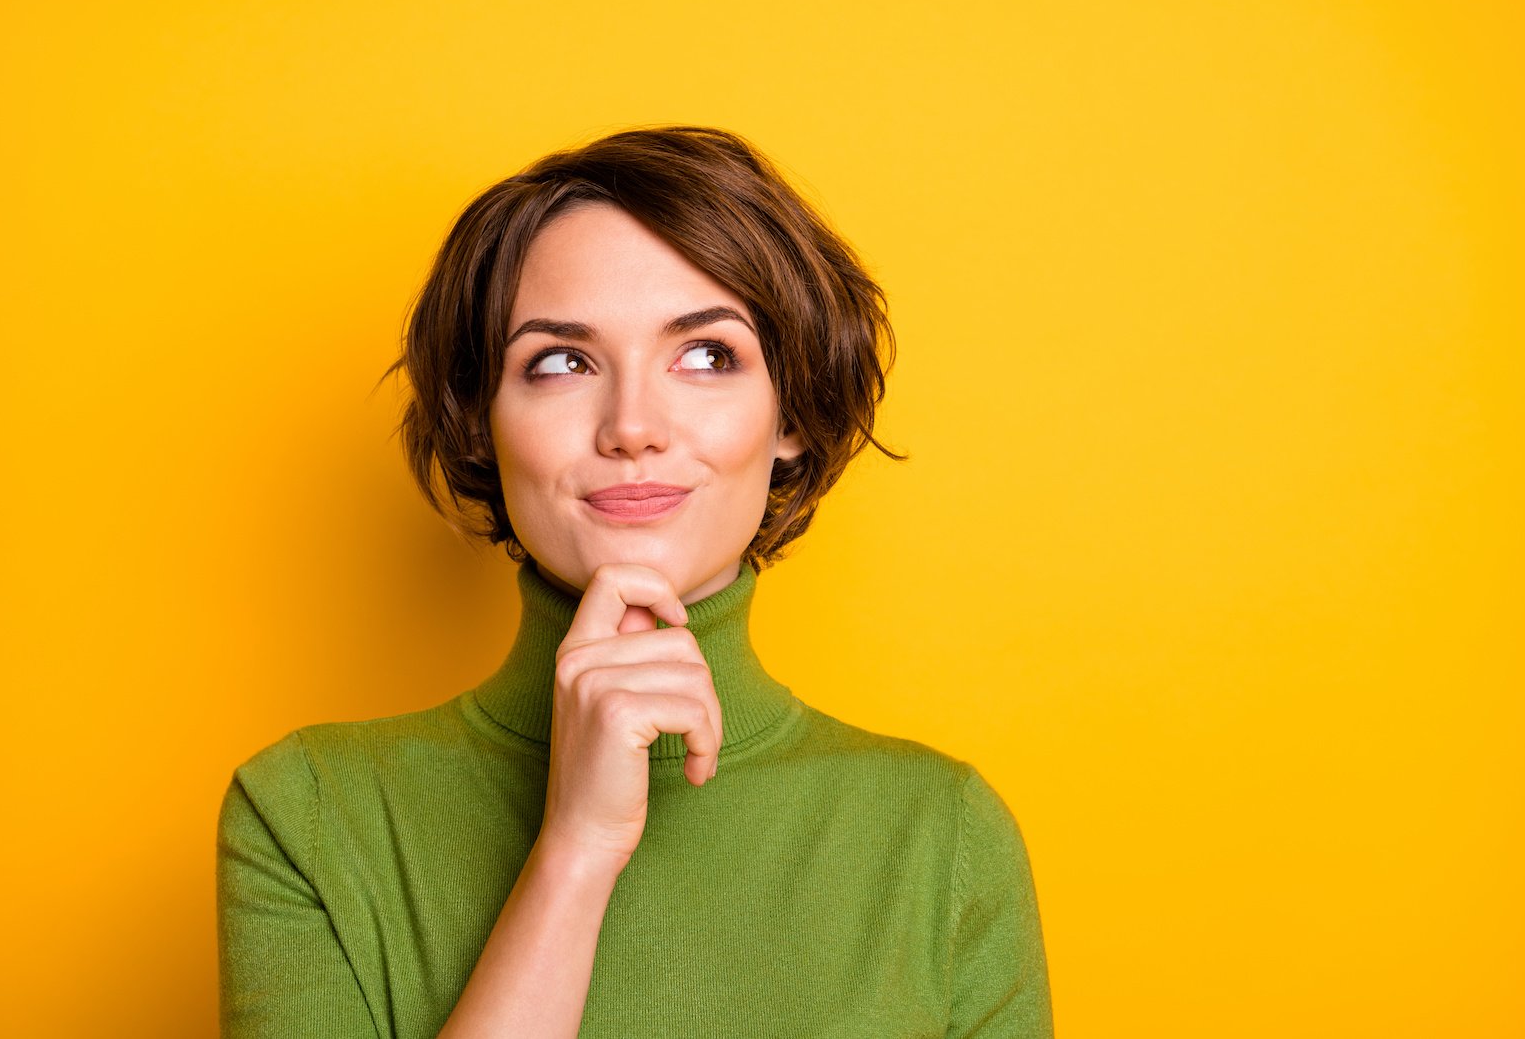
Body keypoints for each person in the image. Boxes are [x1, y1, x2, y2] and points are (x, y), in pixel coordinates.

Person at [216, 125, 1053, 1038]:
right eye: (562, 362)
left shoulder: (940, 837)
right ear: (484, 423)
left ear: (792, 414)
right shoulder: (309, 816)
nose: (632, 425)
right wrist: (574, 854)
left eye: (705, 355)